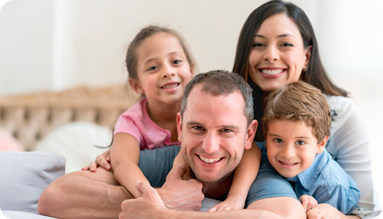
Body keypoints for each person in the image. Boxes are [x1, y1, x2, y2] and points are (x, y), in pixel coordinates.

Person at [38, 70, 305, 219]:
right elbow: (55, 196)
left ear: (249, 135)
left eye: (226, 131)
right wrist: (164, 198)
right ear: (180, 127)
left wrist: (162, 215)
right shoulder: (169, 159)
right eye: (197, 128)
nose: (210, 147)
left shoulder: (262, 171)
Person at [230, 0, 373, 217]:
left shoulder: (341, 113)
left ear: (306, 56)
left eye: (285, 44)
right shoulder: (232, 109)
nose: (270, 55)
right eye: (258, 44)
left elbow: (365, 210)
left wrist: (330, 213)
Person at [261, 81, 360, 214]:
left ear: (321, 144)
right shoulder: (262, 153)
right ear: (266, 138)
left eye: (300, 142)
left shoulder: (331, 187)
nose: (287, 154)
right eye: (278, 140)